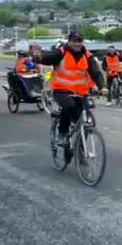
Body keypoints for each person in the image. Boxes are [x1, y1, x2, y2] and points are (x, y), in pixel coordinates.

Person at [31, 32, 104, 162]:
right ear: (69, 41)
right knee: (69, 106)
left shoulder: (87, 56)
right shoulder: (61, 52)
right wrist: (38, 57)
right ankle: (63, 134)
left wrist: (101, 86)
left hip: (81, 93)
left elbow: (95, 73)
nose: (77, 43)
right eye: (74, 41)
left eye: (79, 41)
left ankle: (79, 149)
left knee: (82, 121)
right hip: (62, 90)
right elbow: (48, 57)